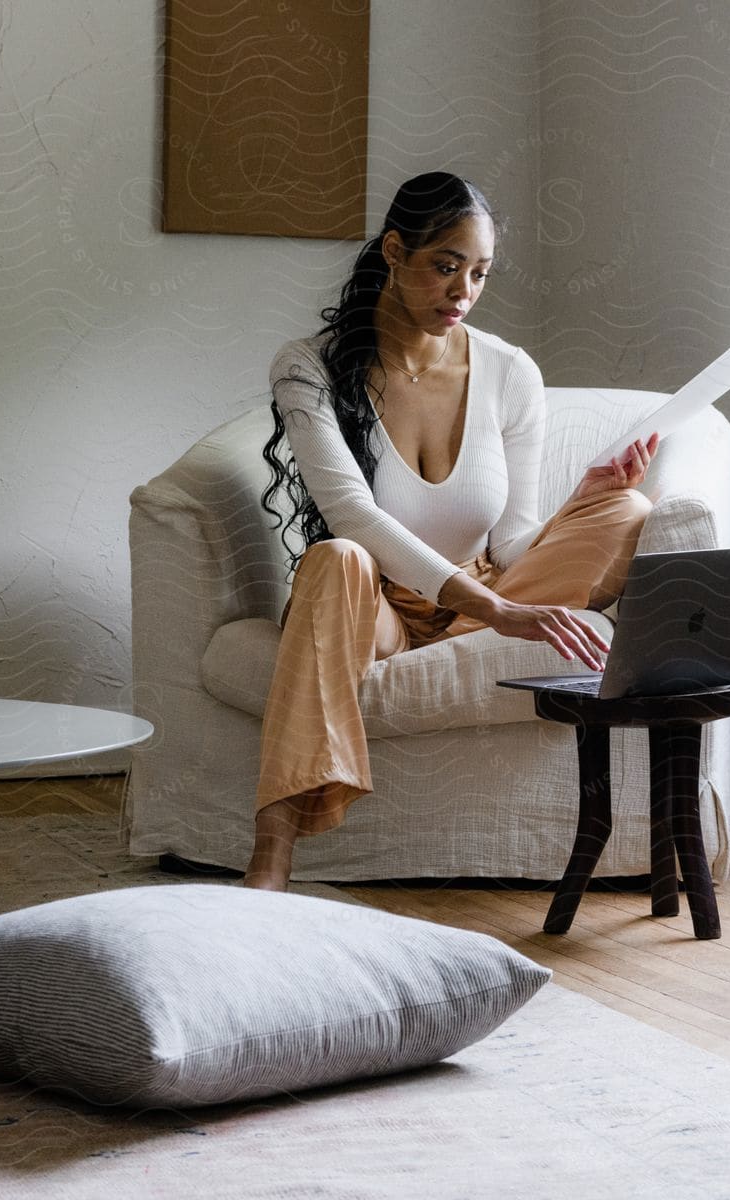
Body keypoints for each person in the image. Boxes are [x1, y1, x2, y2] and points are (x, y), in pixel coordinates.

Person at [246, 171, 658, 891]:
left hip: (484, 596)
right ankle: (273, 849)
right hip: (377, 610)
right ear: (396, 252)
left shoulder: (508, 371)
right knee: (335, 557)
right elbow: (352, 515)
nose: (462, 291)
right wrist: (495, 609)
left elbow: (514, 543)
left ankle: (588, 515)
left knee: (626, 509)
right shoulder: (306, 364)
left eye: (479, 274)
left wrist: (580, 504)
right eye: (445, 266)